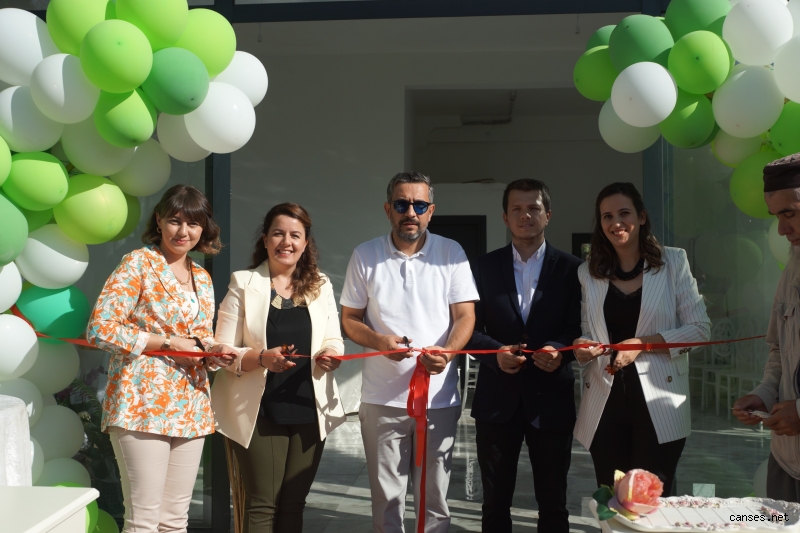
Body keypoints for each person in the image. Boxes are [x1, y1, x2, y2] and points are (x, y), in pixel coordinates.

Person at [87, 184, 235, 533]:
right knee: (143, 521)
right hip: (141, 404)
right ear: (159, 221)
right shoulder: (138, 263)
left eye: (193, 224)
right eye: (174, 221)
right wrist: (167, 342)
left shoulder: (202, 276)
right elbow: (100, 329)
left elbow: (199, 336)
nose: (183, 232)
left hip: (190, 406)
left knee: (174, 522)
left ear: (204, 228)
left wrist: (211, 352)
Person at [340, 171, 478, 533]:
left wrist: (448, 353)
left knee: (435, 502)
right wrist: (378, 341)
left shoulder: (451, 252)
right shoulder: (365, 254)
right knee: (386, 502)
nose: (410, 213)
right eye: (402, 205)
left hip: (438, 399)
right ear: (388, 209)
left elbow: (466, 316)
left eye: (419, 205)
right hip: (381, 398)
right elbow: (349, 319)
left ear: (431, 210)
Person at [210, 203, 347, 533]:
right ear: (265, 239)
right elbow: (220, 351)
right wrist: (260, 358)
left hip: (309, 408)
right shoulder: (243, 282)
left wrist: (331, 353)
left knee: (293, 505)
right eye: (278, 234)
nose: (287, 242)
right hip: (259, 409)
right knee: (262, 505)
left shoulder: (321, 284)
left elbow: (334, 338)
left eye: (295, 235)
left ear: (306, 242)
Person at [573, 182, 710, 495]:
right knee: (612, 499)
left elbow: (701, 330)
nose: (616, 222)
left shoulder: (673, 262)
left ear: (642, 217)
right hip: (604, 403)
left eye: (624, 213)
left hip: (660, 403)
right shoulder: (588, 273)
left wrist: (643, 344)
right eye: (607, 216)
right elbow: (588, 330)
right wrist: (583, 346)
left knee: (650, 501)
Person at [466, 179, 582, 533]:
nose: (525, 215)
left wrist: (560, 351)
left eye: (533, 208)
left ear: (548, 215)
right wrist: (494, 354)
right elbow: (467, 329)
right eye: (516, 208)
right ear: (505, 217)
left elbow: (580, 327)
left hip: (551, 400)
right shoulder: (482, 267)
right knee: (495, 502)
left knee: (553, 502)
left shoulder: (573, 270)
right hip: (497, 399)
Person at [733, 153, 800, 503]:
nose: (782, 229)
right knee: (770, 523)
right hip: (787, 462)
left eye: (790, 213)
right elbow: (779, 350)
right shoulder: (791, 270)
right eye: (776, 217)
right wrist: (764, 394)